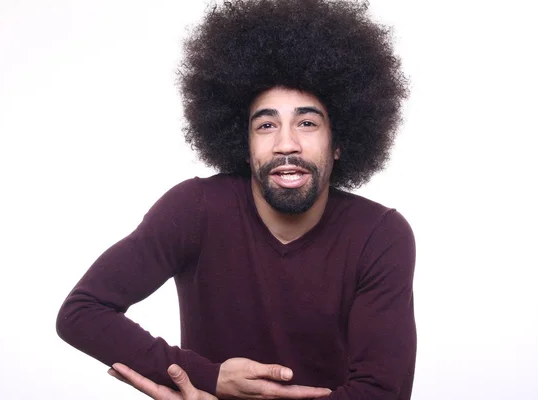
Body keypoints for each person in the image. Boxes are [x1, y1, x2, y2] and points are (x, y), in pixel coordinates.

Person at [56, 0, 416, 399]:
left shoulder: (379, 235)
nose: (286, 144)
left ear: (339, 143)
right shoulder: (195, 209)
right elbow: (82, 312)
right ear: (243, 145)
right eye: (266, 125)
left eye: (308, 123)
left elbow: (383, 392)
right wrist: (202, 378)